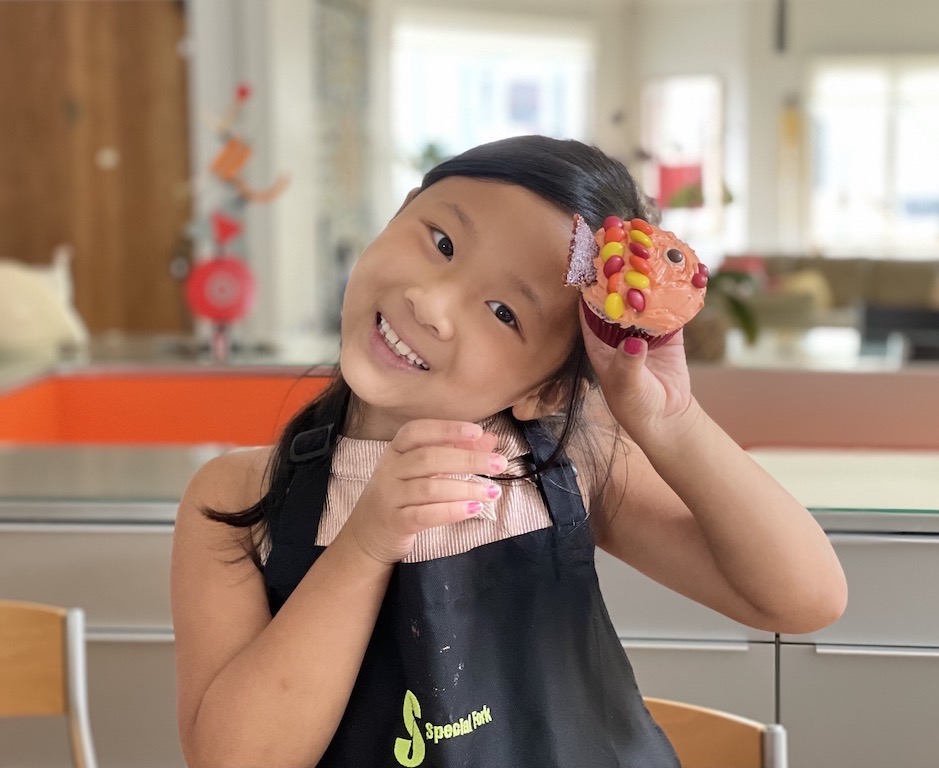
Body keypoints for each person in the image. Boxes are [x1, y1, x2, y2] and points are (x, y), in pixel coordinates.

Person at [171, 135, 847, 768]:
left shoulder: (565, 461)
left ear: (547, 390)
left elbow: (804, 599)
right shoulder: (237, 497)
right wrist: (368, 540)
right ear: (399, 212)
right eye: (440, 241)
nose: (433, 304)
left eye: (503, 313)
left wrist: (670, 423)